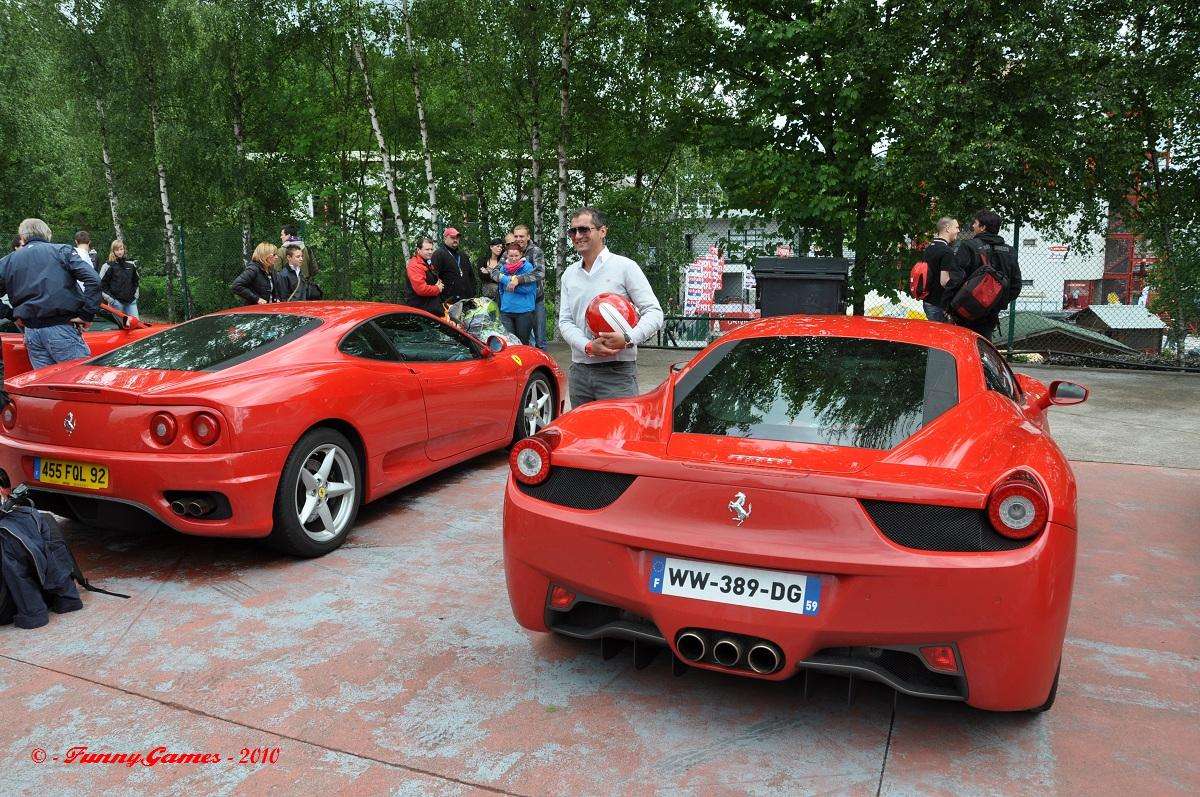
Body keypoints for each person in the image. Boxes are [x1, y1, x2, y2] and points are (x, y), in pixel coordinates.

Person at [557, 207, 664, 407]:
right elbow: (565, 321)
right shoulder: (568, 275)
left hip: (618, 372)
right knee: (584, 437)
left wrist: (628, 338)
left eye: (584, 230)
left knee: (620, 436)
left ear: (602, 231)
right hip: (579, 372)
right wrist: (587, 346)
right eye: (573, 231)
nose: (578, 236)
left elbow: (654, 313)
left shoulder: (625, 267)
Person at [0, 218, 101, 369]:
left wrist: (12, 314)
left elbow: (93, 281)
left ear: (22, 237)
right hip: (60, 329)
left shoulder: (8, 261)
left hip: (32, 333)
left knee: (47, 386)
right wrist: (87, 314)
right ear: (48, 234)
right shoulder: (62, 251)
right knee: (78, 382)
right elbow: (94, 279)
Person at [948, 210, 1018, 338]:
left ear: (983, 227)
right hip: (992, 313)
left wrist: (951, 306)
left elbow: (955, 279)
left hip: (966, 310)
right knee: (984, 346)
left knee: (964, 343)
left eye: (975, 223)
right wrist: (995, 302)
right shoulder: (1010, 251)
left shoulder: (968, 246)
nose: (973, 226)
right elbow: (1016, 285)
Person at [512, 224, 547, 349]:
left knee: (540, 339)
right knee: (519, 341)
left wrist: (519, 280)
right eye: (516, 236)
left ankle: (546, 367)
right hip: (518, 302)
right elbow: (497, 272)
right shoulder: (511, 251)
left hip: (536, 300)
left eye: (521, 236)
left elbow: (540, 273)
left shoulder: (536, 251)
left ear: (528, 237)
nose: (518, 239)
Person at [497, 239, 537, 344]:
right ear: (507, 256)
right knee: (510, 343)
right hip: (506, 311)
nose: (513, 258)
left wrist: (510, 284)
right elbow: (501, 289)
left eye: (516, 256)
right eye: (511, 256)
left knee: (522, 342)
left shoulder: (528, 267)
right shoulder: (502, 269)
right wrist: (509, 283)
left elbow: (530, 288)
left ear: (521, 255)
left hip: (524, 312)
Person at [922, 217, 959, 323]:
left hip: (928, 301)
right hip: (939, 305)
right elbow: (944, 281)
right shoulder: (946, 251)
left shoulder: (930, 248)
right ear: (947, 228)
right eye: (956, 227)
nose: (958, 230)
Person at [431, 227, 475, 305]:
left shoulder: (463, 255)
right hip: (449, 301)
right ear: (445, 238)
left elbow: (471, 276)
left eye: (457, 238)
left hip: (467, 299)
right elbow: (434, 277)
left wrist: (472, 293)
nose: (455, 240)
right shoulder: (438, 254)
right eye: (452, 237)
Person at [99, 240, 140, 317]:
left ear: (124, 249)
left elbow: (136, 281)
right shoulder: (107, 266)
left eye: (121, 249)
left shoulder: (131, 265)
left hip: (131, 301)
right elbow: (101, 285)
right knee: (118, 326)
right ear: (113, 251)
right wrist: (111, 300)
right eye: (117, 250)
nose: (119, 252)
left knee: (136, 325)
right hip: (116, 303)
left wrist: (136, 296)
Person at [405, 236, 443, 315]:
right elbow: (421, 289)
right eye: (427, 249)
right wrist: (437, 289)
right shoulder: (414, 265)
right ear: (418, 250)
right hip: (420, 311)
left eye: (431, 249)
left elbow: (432, 279)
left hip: (430, 307)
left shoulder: (427, 262)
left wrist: (438, 282)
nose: (430, 252)